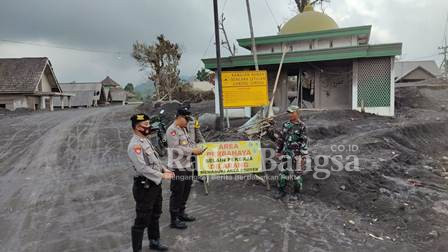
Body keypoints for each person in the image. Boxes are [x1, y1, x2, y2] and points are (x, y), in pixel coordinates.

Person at [128, 113, 174, 252]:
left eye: (149, 124)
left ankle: (154, 241)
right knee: (142, 219)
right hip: (144, 187)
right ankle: (137, 249)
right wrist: (162, 175)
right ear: (137, 127)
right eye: (146, 125)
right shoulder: (134, 145)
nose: (149, 127)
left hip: (154, 184)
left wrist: (164, 168)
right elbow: (143, 168)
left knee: (155, 214)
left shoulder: (146, 140)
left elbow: (155, 160)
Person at [166, 108, 205, 229]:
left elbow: (189, 143)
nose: (187, 122)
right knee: (177, 192)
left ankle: (181, 213)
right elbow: (176, 148)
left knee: (186, 190)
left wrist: (199, 147)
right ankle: (174, 220)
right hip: (177, 167)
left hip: (187, 165)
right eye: (186, 119)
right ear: (179, 117)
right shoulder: (172, 130)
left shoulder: (184, 128)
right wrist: (193, 151)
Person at [274, 105, 309, 200]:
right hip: (286, 153)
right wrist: (278, 151)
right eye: (289, 113)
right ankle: (281, 191)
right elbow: (281, 139)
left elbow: (304, 141)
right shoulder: (285, 124)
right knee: (283, 172)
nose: (289, 114)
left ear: (297, 113)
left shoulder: (302, 126)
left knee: (297, 174)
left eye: (292, 112)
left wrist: (302, 156)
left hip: (297, 155)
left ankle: (296, 193)